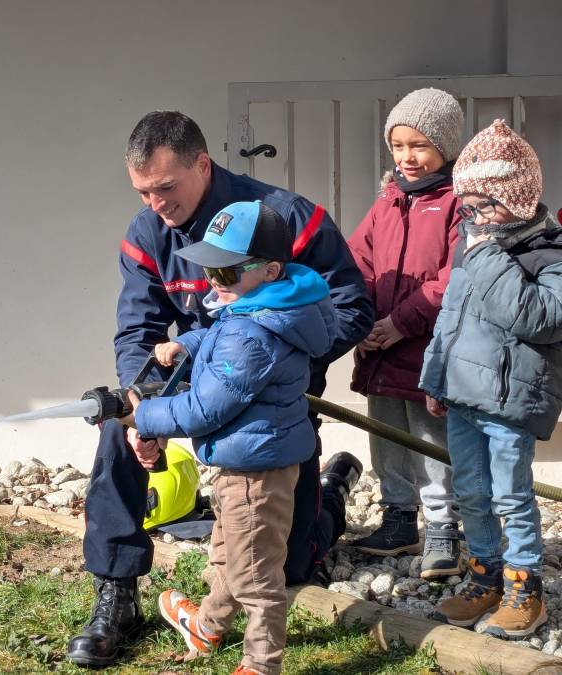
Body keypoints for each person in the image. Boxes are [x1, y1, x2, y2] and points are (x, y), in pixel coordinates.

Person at [66, 110, 374, 667]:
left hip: (276, 409)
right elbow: (138, 331)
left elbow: (352, 307)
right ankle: (116, 593)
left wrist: (277, 365)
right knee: (119, 432)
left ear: (202, 165)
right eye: (142, 192)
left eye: (165, 188)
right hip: (198, 380)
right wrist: (143, 402)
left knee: (289, 568)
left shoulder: (290, 218)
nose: (155, 205)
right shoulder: (146, 233)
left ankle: (330, 496)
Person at [116, 199, 339, 675]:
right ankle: (208, 625)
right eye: (210, 272)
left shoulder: (252, 334)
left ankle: (261, 664)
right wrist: (188, 343)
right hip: (256, 459)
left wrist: (147, 415)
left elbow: (204, 408)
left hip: (253, 472)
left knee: (257, 577)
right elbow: (222, 334)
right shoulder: (271, 306)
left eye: (224, 274)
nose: (214, 285)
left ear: (270, 269)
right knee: (231, 552)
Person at [421, 119, 562, 638]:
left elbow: (539, 318)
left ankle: (526, 590)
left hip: (507, 405)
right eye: (469, 205)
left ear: (521, 199)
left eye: (487, 204)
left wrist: (485, 255)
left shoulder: (548, 254)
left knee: (510, 496)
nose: (475, 217)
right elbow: (450, 317)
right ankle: (485, 576)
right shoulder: (476, 246)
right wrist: (435, 378)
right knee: (473, 494)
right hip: (462, 397)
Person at [347, 88, 464, 577]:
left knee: (431, 441)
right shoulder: (387, 201)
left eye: (419, 145)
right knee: (386, 432)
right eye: (398, 146)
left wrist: (400, 323)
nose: (407, 158)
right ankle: (398, 519)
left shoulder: (458, 202)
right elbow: (358, 263)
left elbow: (453, 279)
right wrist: (363, 321)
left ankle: (442, 528)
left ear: (445, 146)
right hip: (380, 345)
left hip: (427, 350)